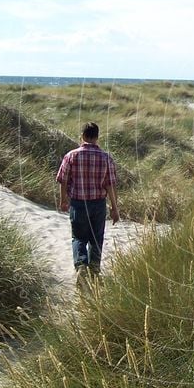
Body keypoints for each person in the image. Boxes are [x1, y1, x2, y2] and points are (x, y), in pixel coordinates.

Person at [56, 122, 120, 287]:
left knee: (78, 237)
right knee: (96, 238)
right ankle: (94, 271)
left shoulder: (71, 156)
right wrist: (114, 208)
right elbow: (110, 185)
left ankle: (81, 265)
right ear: (97, 137)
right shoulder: (106, 158)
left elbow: (63, 180)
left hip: (78, 203)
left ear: (82, 136)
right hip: (98, 204)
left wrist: (63, 200)